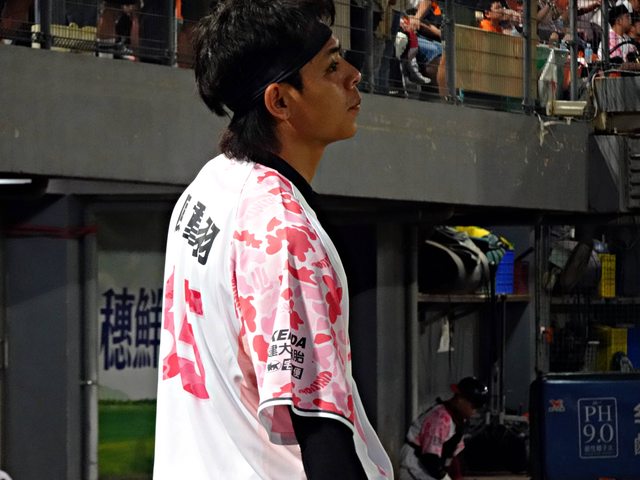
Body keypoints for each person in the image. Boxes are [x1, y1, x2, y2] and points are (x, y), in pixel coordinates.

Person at [152, 1, 393, 479]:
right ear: (280, 101)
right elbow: (320, 428)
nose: (353, 75)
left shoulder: (209, 185)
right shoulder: (282, 232)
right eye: (331, 66)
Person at [398, 377, 489, 480]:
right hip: (415, 466)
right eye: (475, 405)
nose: (476, 410)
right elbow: (430, 458)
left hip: (427, 467)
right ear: (460, 399)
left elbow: (454, 455)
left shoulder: (459, 419)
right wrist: (444, 476)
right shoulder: (440, 418)